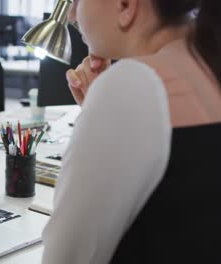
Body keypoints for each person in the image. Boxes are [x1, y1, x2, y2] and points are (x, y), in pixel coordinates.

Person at [42, 0, 221, 263]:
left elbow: (66, 255)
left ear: (125, 6)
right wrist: (99, 113)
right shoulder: (207, 67)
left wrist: (104, 106)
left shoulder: (133, 84)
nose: (71, 14)